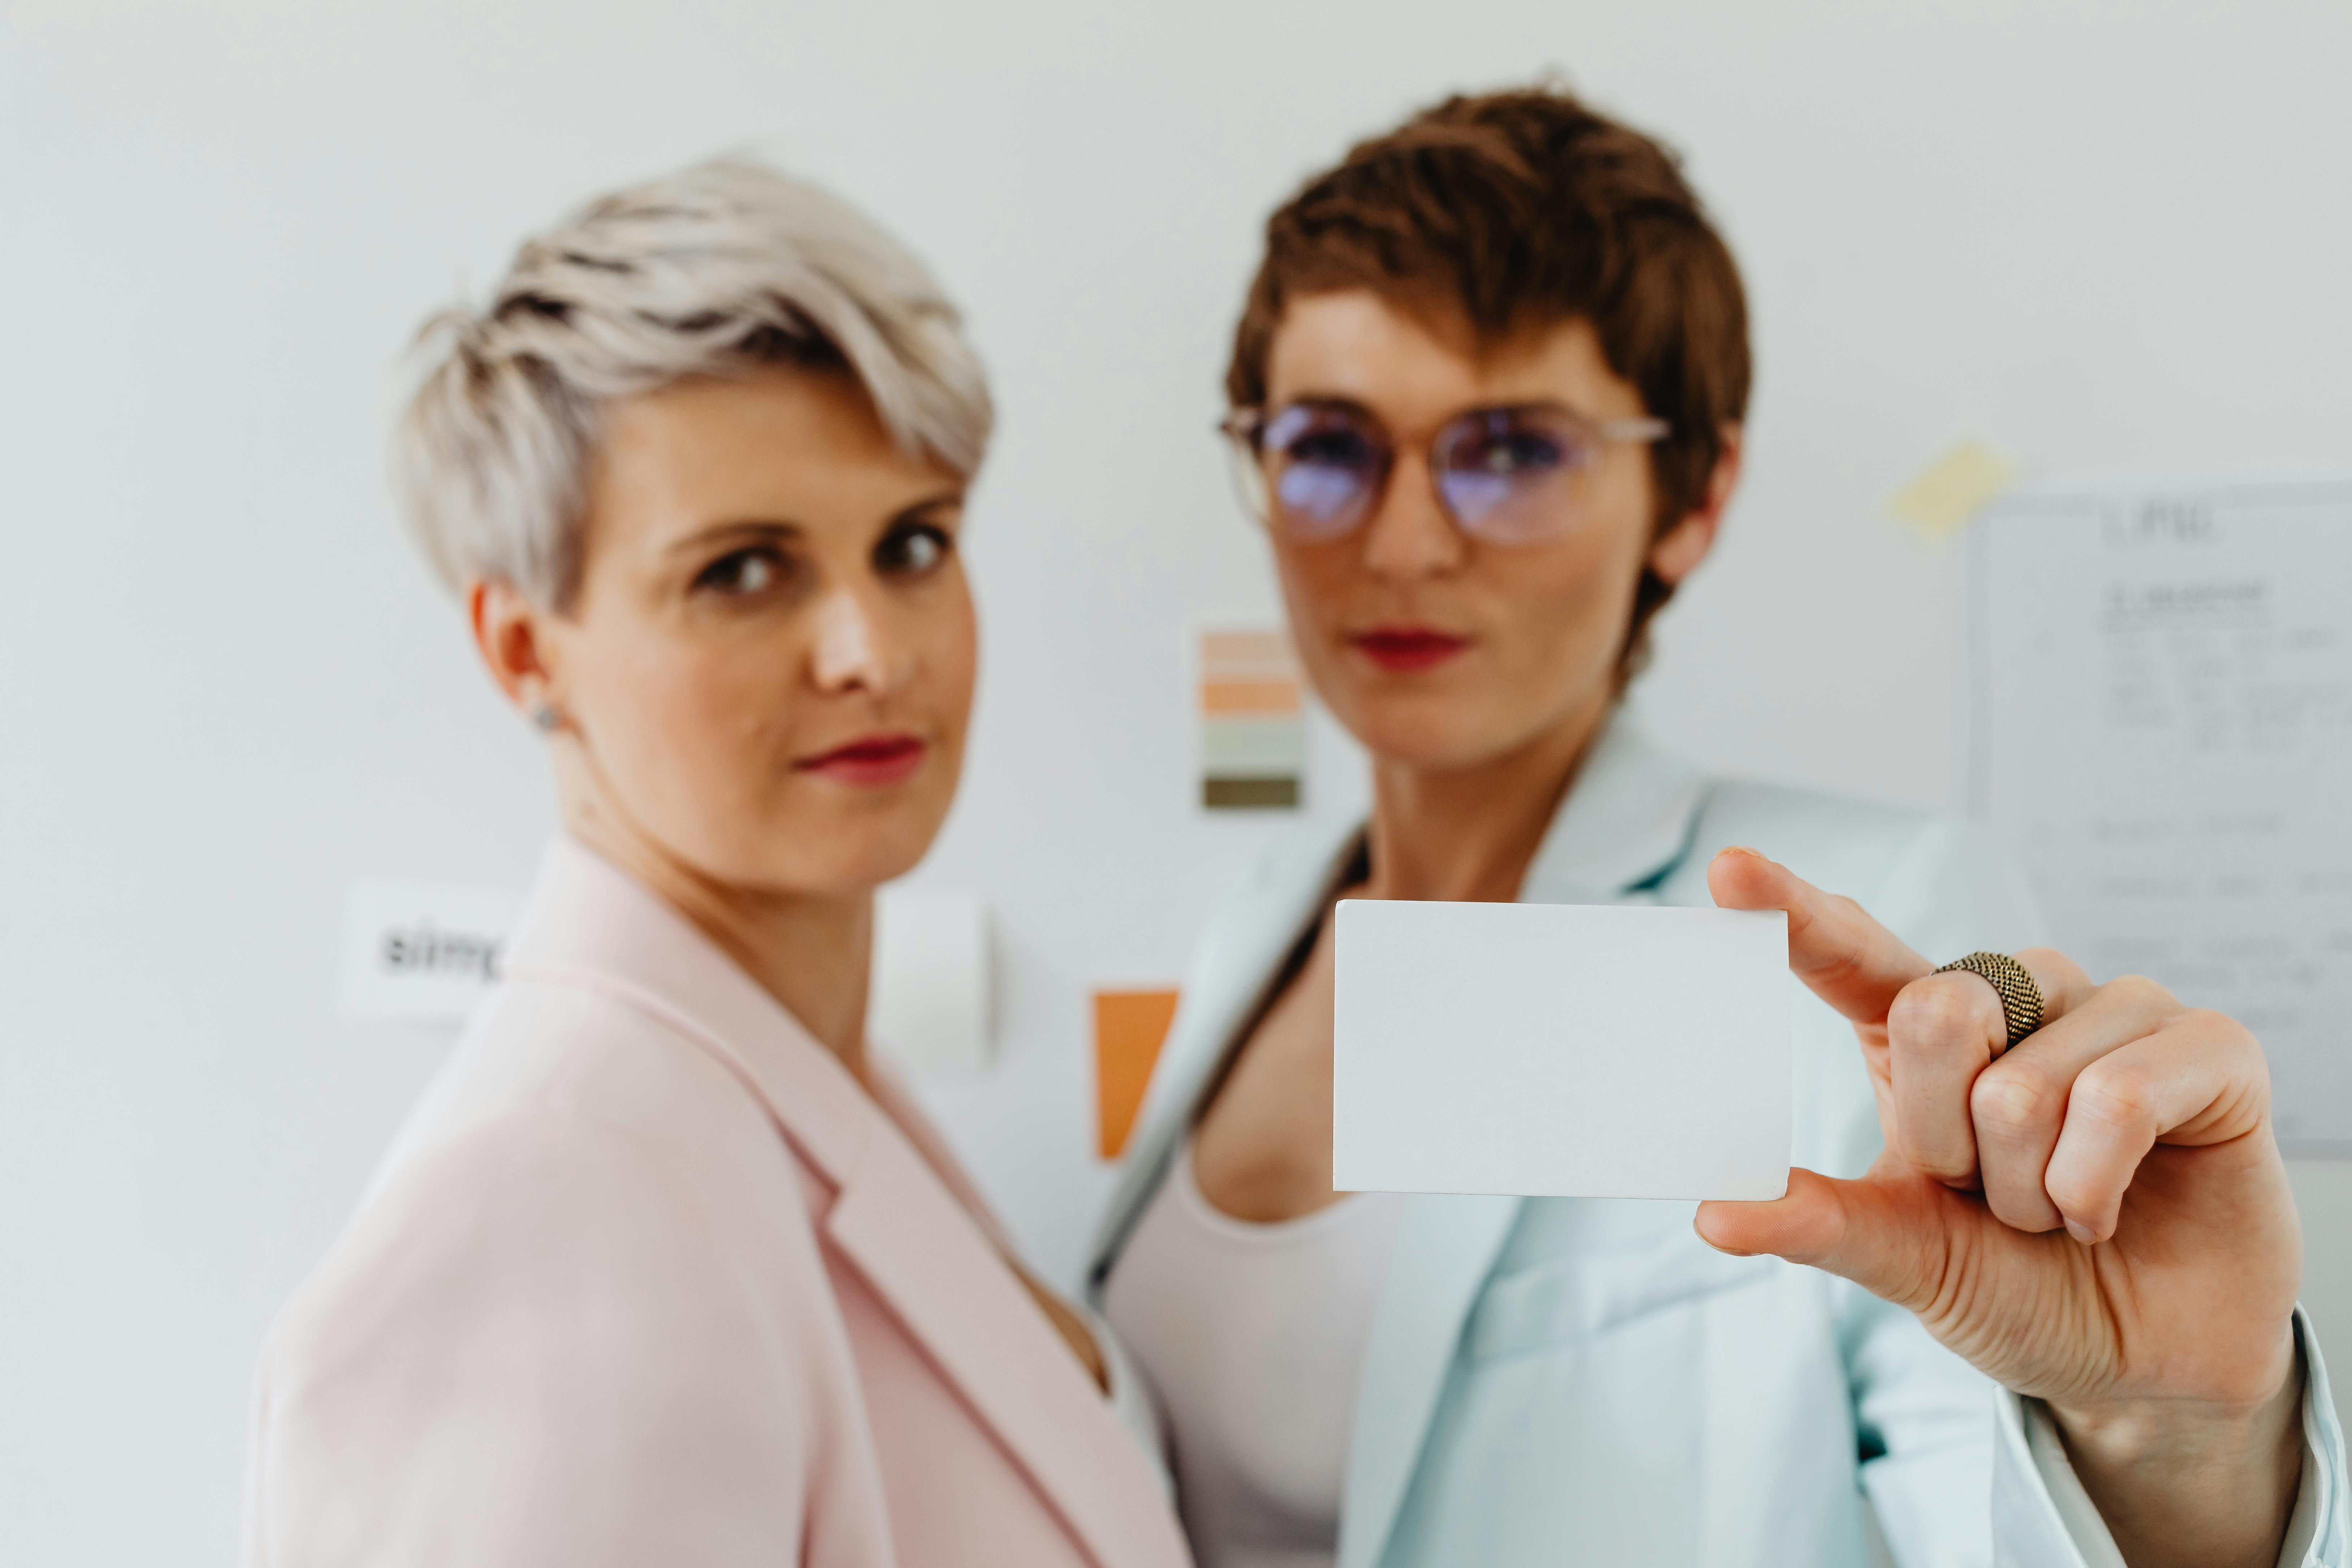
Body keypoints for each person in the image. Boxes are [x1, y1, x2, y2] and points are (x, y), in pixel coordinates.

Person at [1088, 87, 2346, 1568]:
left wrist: (2176, 1450)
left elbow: (1986, 1484)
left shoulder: (1853, 932)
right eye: (1329, 445)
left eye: (1512, 450)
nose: (1405, 540)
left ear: (1692, 498)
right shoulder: (1258, 919)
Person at [239, 160, 1191, 1568]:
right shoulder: (555, 1199)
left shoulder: (801, 1079)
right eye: (745, 572)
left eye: (913, 545)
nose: (873, 649)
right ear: (523, 648)